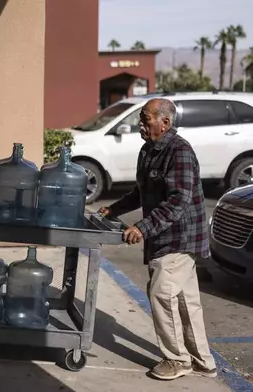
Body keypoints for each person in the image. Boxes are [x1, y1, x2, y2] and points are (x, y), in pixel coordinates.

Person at [98, 98, 216, 381]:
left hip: (180, 236)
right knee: (185, 300)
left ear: (165, 122)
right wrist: (114, 209)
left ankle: (177, 360)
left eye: (146, 118)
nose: (141, 123)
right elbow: (142, 192)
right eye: (141, 117)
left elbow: (178, 201)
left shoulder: (180, 152)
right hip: (164, 235)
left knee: (162, 293)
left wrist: (142, 227)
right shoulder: (148, 150)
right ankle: (203, 361)